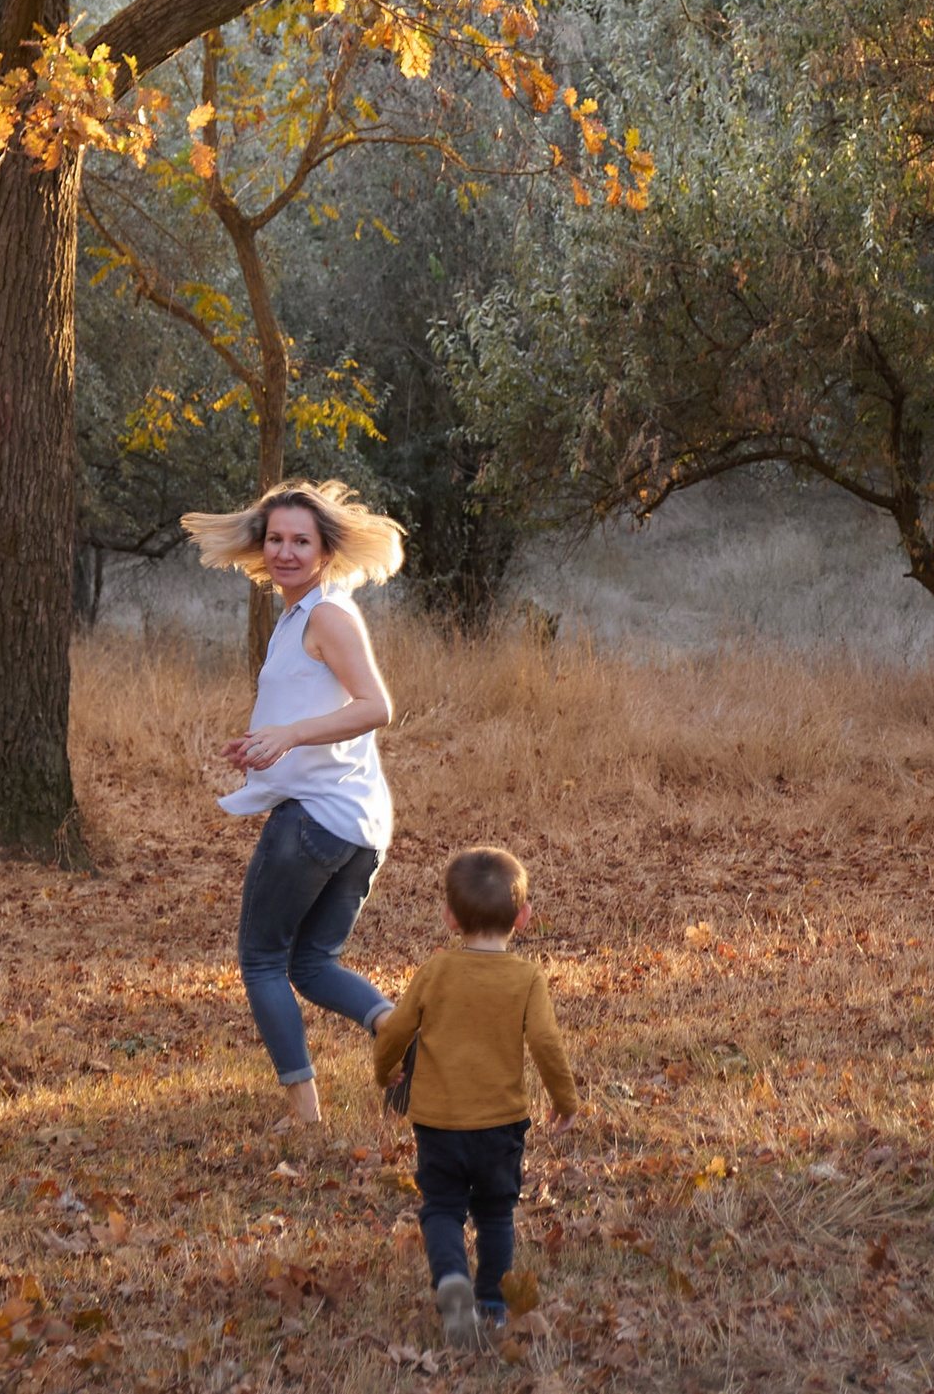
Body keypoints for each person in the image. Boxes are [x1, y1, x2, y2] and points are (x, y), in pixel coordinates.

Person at [181, 478, 406, 1137]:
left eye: (299, 540)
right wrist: (263, 741)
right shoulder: (298, 615)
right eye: (276, 538)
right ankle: (399, 1034)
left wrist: (287, 736)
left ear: (325, 549)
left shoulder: (328, 613)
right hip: (354, 823)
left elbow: (375, 706)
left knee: (261, 960)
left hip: (315, 822)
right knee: (311, 964)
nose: (284, 550)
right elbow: (310, 707)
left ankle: (304, 1114)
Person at [370, 844, 578, 1355]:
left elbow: (395, 1029)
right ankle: (491, 1303)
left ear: (449, 918)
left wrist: (386, 1072)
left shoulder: (437, 971)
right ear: (524, 918)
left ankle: (450, 1282)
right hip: (501, 1125)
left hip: (439, 1123)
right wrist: (564, 1100)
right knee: (494, 1214)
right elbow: (546, 1043)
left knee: (441, 1208)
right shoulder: (526, 978)